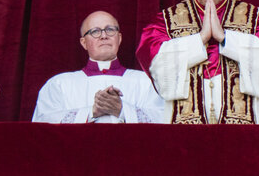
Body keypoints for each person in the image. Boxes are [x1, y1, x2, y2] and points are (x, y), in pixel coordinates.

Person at [32, 10, 163, 123]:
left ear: (119, 38)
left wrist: (122, 110)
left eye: (110, 30)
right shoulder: (59, 84)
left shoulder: (146, 82)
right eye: (95, 31)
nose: (104, 36)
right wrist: (92, 112)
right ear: (84, 43)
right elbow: (43, 123)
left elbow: (164, 120)